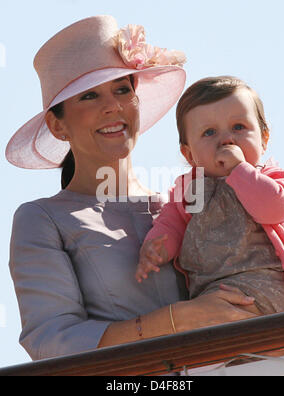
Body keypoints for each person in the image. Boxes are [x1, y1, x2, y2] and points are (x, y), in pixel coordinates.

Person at [6, 17, 257, 362]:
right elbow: (52, 340)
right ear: (57, 125)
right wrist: (177, 320)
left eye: (123, 89)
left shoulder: (183, 203)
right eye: (90, 95)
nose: (113, 106)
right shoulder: (41, 218)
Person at [136, 76, 284, 315]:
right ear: (189, 154)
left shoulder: (272, 177)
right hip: (213, 293)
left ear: (264, 138)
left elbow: (273, 208)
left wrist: (239, 170)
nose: (226, 139)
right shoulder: (189, 191)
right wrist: (156, 248)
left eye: (239, 127)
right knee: (206, 321)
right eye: (209, 132)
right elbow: (169, 224)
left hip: (270, 286)